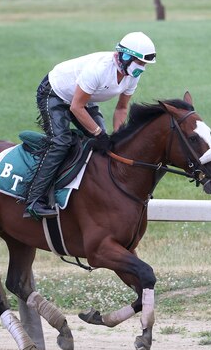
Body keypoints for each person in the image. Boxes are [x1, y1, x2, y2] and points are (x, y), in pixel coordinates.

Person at [24, 31, 156, 219]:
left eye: (144, 64)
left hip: (83, 100)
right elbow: (76, 107)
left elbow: (121, 109)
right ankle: (34, 200)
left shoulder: (132, 75)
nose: (141, 68)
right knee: (61, 142)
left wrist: (118, 138)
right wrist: (98, 133)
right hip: (55, 93)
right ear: (125, 57)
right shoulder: (99, 69)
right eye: (140, 62)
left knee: (104, 146)